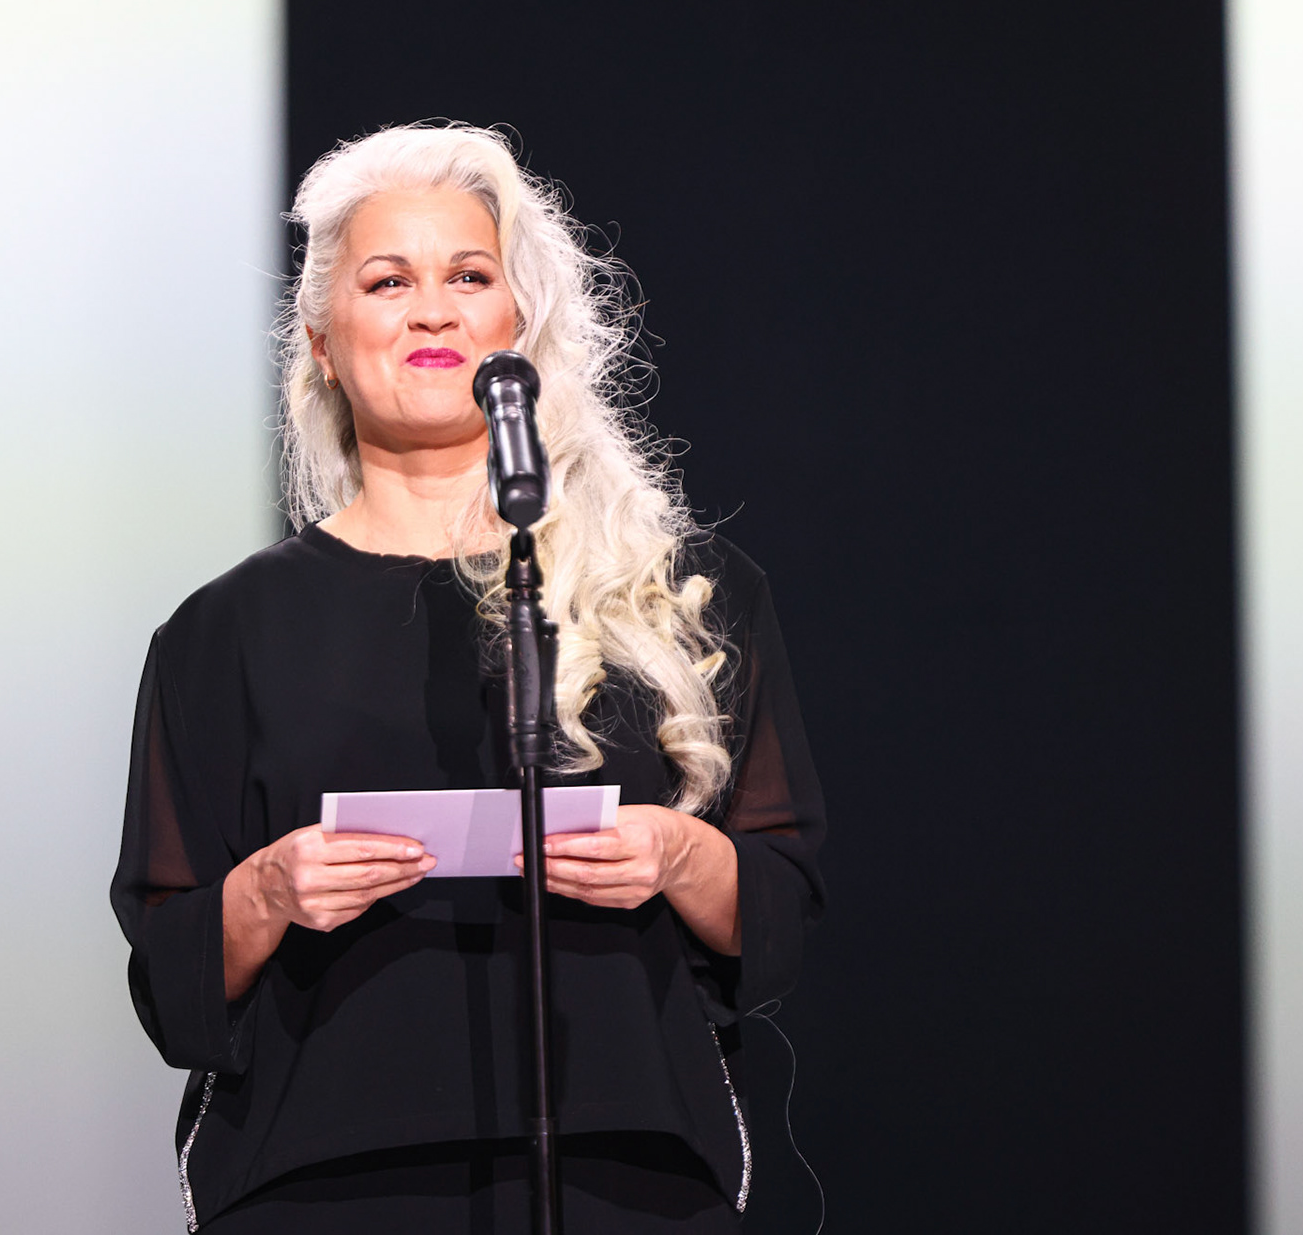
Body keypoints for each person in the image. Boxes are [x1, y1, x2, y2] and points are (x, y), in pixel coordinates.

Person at [111, 124, 825, 1233]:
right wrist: (270, 891)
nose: (433, 312)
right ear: (322, 341)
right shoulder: (223, 633)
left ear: (519, 324)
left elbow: (782, 908)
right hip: (324, 1187)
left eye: (470, 277)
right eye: (388, 281)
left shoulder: (681, 593)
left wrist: (680, 854)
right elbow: (172, 979)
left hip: (621, 1175)